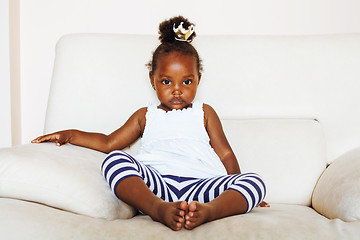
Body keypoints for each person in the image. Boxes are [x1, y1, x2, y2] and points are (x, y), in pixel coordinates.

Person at [32, 16, 268, 231]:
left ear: (199, 79)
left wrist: (234, 189)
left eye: (187, 81)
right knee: (114, 159)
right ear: (152, 80)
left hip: (202, 186)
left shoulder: (204, 112)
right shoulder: (145, 115)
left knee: (255, 182)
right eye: (167, 81)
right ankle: (158, 209)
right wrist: (71, 135)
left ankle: (208, 213)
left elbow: (225, 153)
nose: (177, 90)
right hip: (158, 185)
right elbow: (109, 142)